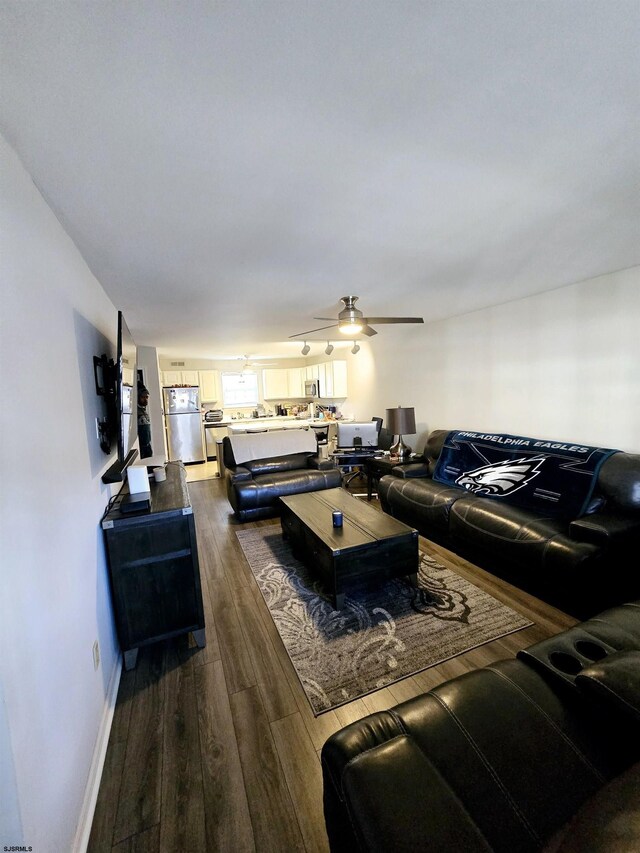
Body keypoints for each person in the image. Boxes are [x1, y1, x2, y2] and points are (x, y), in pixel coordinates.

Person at [137, 382, 152, 458]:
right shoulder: (136, 411)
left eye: (146, 397)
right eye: (143, 397)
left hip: (147, 445)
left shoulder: (143, 410)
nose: (145, 399)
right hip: (140, 447)